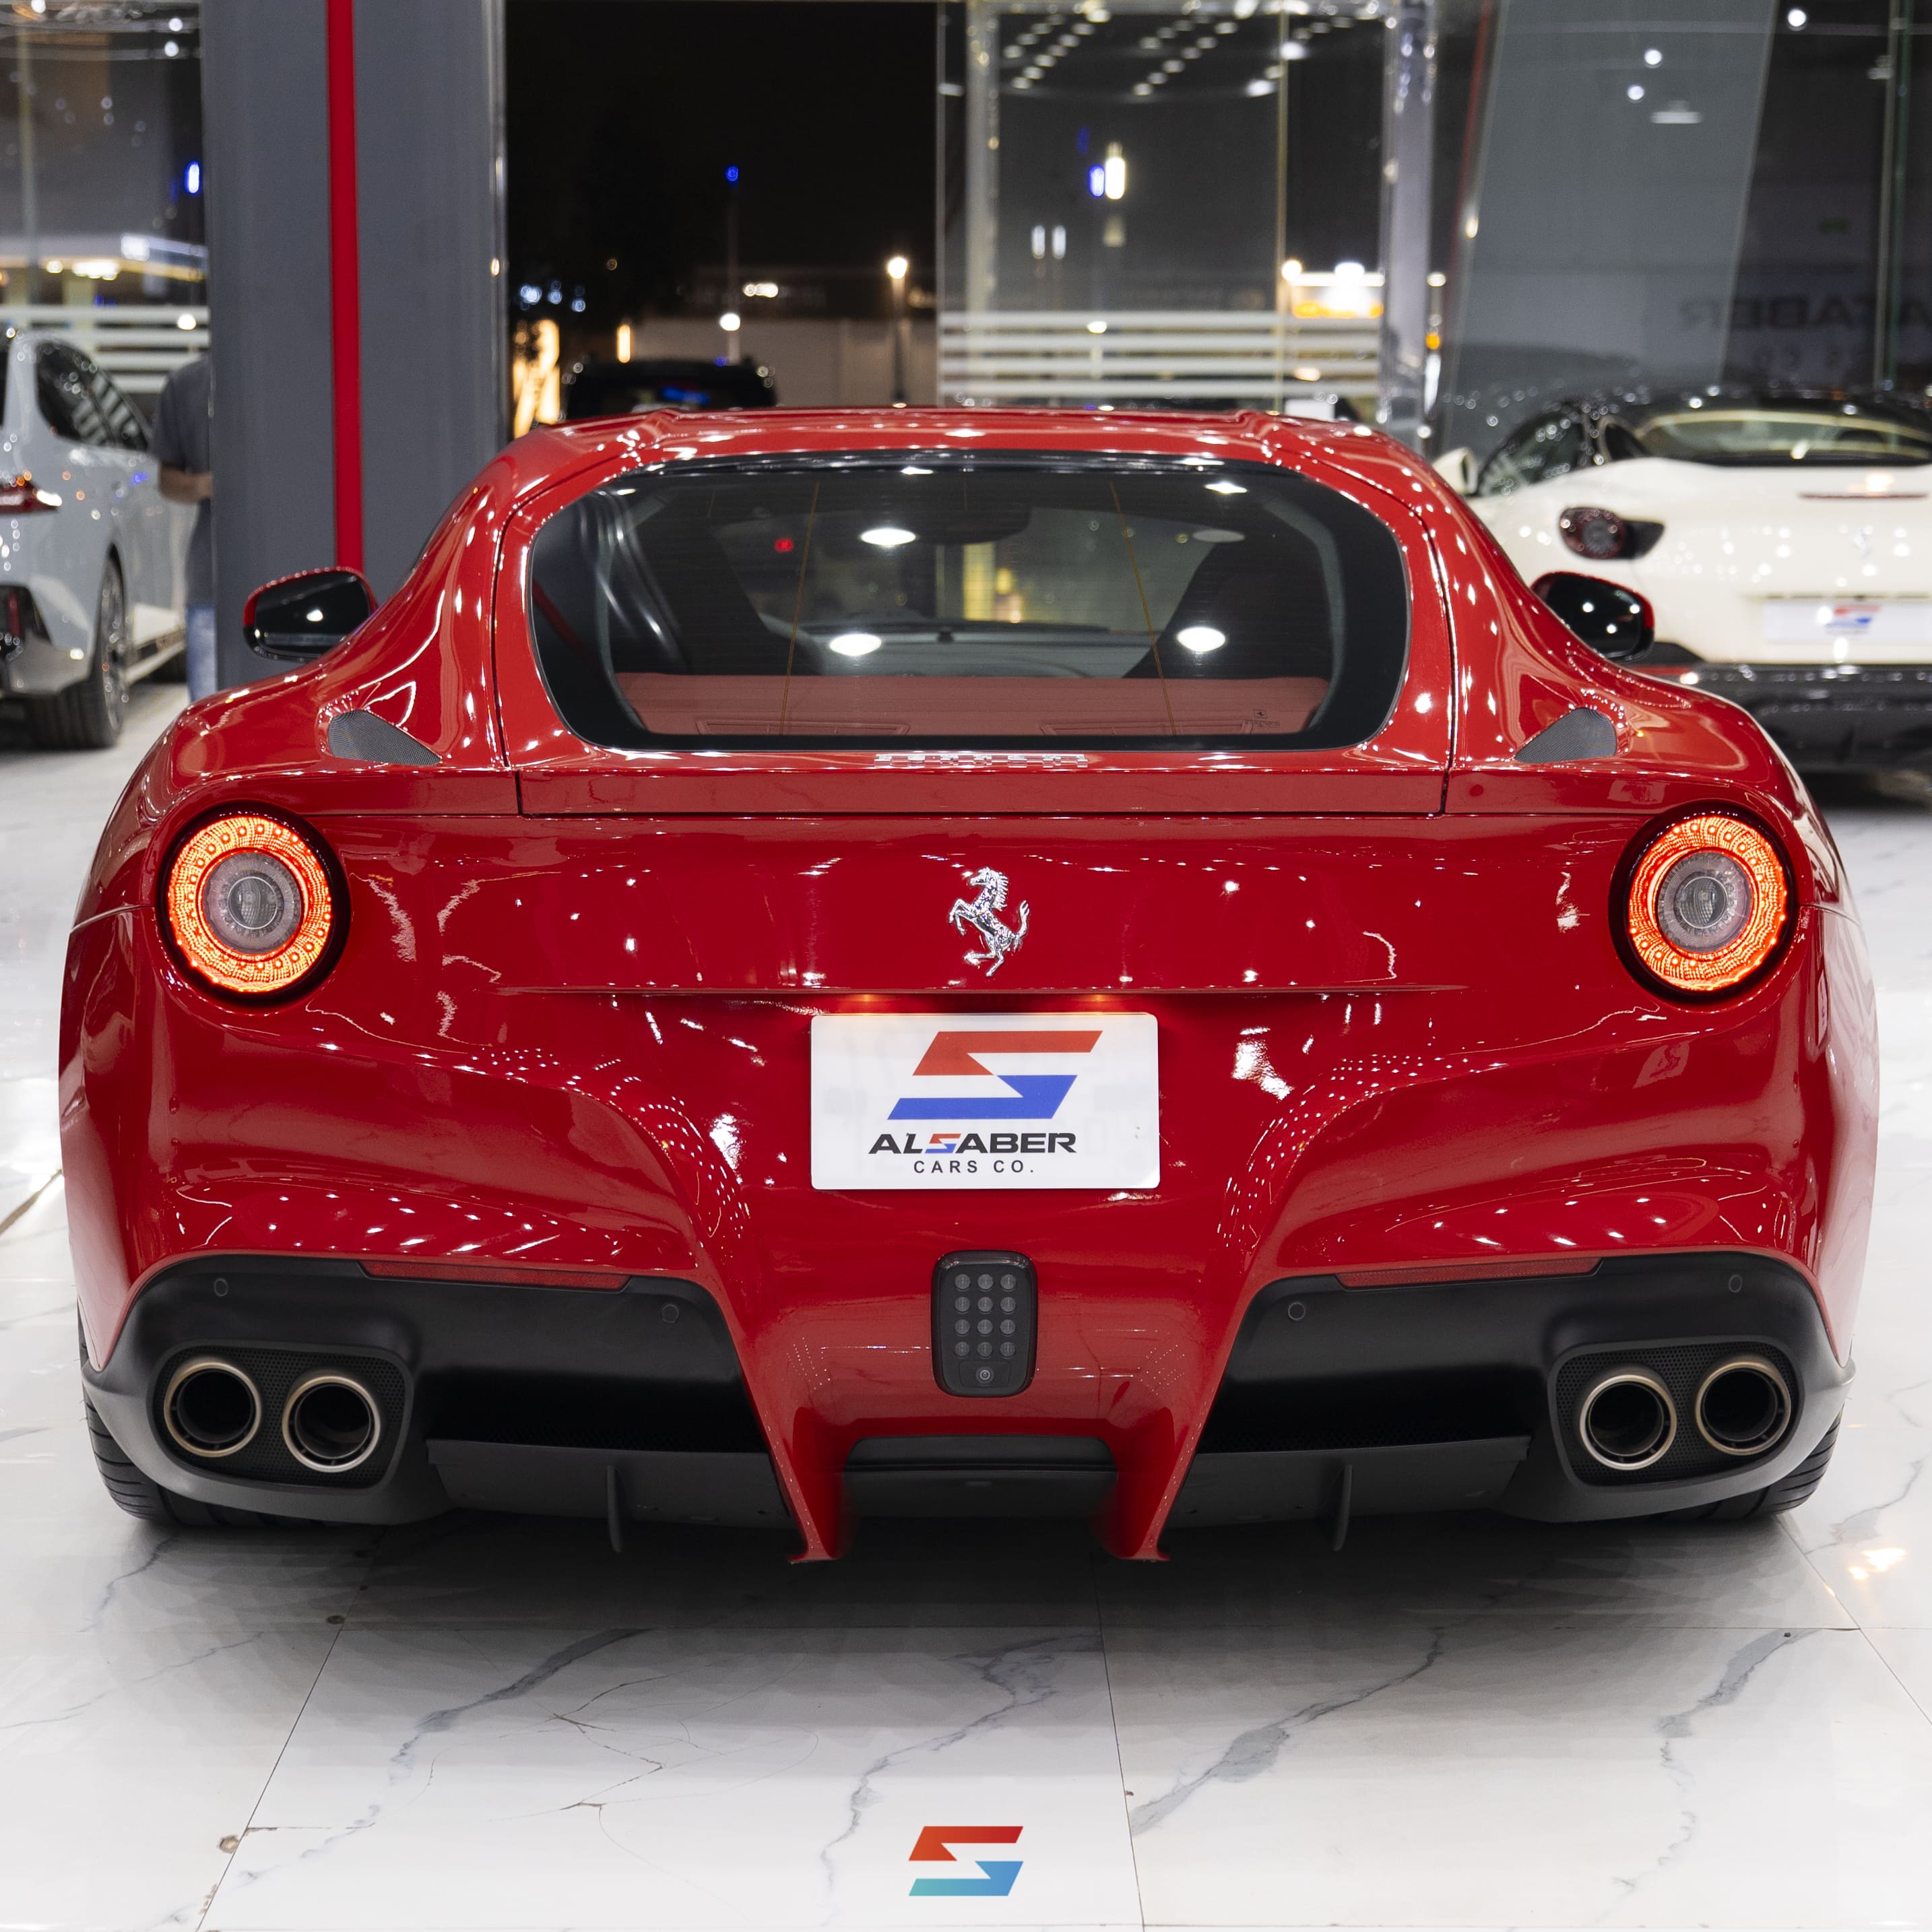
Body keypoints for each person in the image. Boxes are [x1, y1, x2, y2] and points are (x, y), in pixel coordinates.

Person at [151, 350, 216, 699]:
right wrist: (205, 485)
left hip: (283, 581)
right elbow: (166, 479)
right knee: (208, 712)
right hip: (211, 581)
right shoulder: (187, 384)